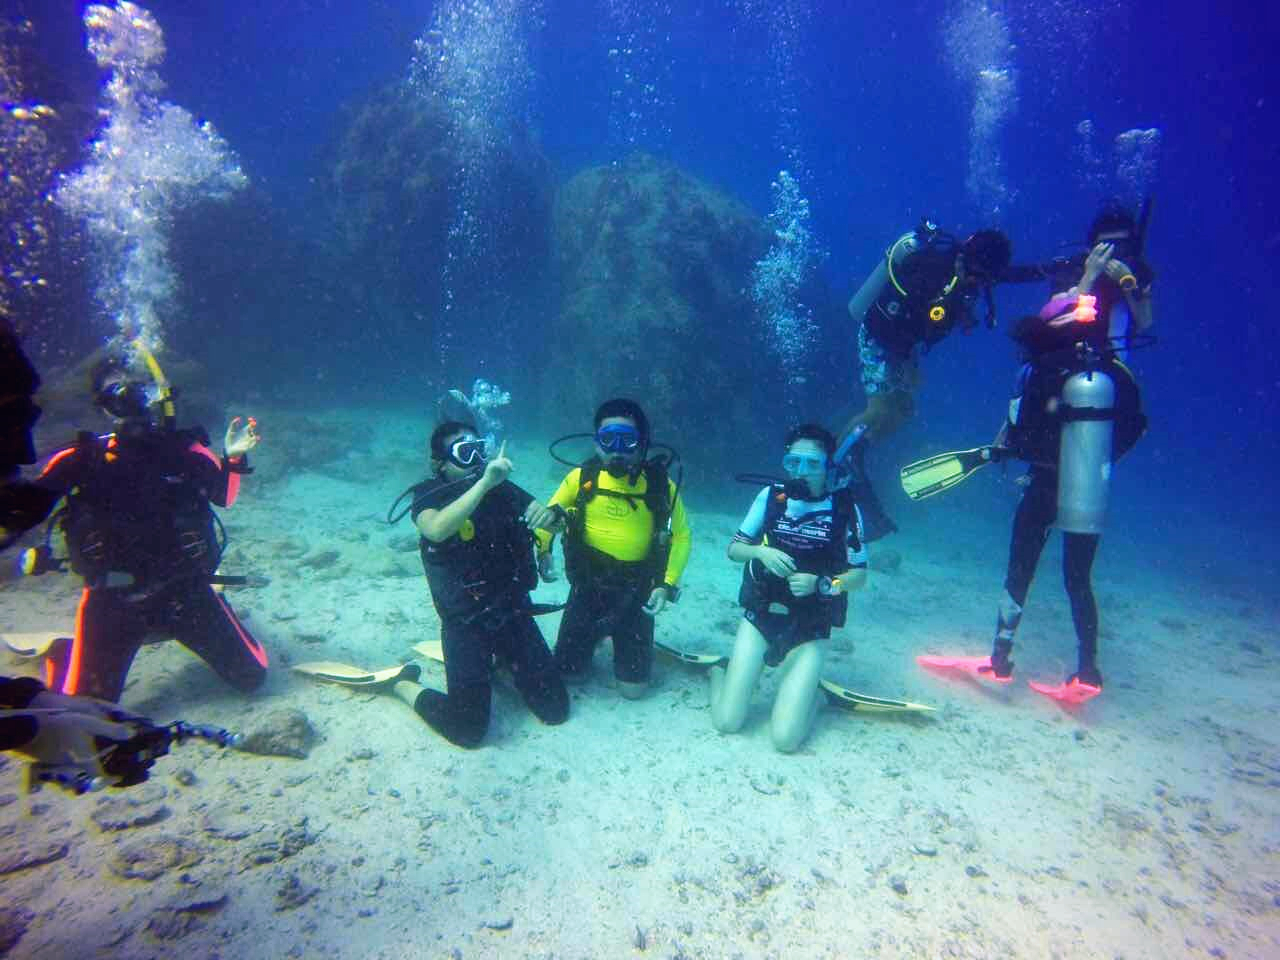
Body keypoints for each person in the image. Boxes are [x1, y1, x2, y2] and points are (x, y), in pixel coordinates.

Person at [0, 348, 267, 703]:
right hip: (113, 601)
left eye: (137, 390)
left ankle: (210, 612)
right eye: (116, 393)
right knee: (88, 708)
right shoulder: (81, 458)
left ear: (154, 397)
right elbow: (25, 509)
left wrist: (233, 458)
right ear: (102, 406)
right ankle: (64, 654)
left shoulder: (183, 449)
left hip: (185, 591)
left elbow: (223, 497)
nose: (128, 401)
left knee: (252, 677)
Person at [983, 244, 1147, 701]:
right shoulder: (1108, 371)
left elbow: (1020, 431)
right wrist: (1097, 461)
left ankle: (999, 660)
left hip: (1043, 481)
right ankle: (1088, 672)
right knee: (1078, 578)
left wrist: (1012, 452)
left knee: (1020, 569)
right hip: (1087, 485)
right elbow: (1136, 425)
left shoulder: (1038, 369)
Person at [393, 421, 568, 747]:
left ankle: (501, 661)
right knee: (467, 730)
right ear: (439, 463)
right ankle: (402, 685)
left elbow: (546, 520)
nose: (476, 459)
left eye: (479, 449)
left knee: (556, 709)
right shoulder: (429, 494)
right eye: (465, 452)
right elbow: (436, 529)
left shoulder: (504, 490)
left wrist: (554, 518)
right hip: (465, 624)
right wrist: (485, 482)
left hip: (513, 613)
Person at [840, 220, 1013, 538]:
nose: (975, 282)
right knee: (879, 409)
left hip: (904, 347)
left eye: (983, 278)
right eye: (973, 273)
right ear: (964, 257)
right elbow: (891, 321)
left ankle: (857, 450)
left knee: (903, 411)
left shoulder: (971, 275)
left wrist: (1054, 269)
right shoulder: (931, 271)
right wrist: (908, 362)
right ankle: (837, 463)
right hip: (881, 338)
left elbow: (1013, 276)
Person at [710, 424, 867, 751]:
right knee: (727, 722)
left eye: (812, 464)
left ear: (828, 466)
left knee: (785, 740)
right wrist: (760, 551)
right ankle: (718, 673)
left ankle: (816, 697)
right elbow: (734, 549)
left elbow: (859, 577)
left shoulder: (844, 508)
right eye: (793, 462)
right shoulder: (770, 497)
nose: (801, 472)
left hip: (811, 624)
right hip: (762, 613)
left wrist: (824, 584)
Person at [541, 399, 692, 699]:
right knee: (570, 676)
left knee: (633, 692)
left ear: (642, 443)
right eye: (608, 440)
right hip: (587, 587)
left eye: (627, 440)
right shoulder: (581, 478)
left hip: (637, 592)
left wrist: (666, 584)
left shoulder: (661, 487)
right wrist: (543, 551)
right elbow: (547, 517)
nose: (617, 450)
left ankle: (616, 635)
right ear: (596, 442)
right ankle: (597, 635)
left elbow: (682, 537)